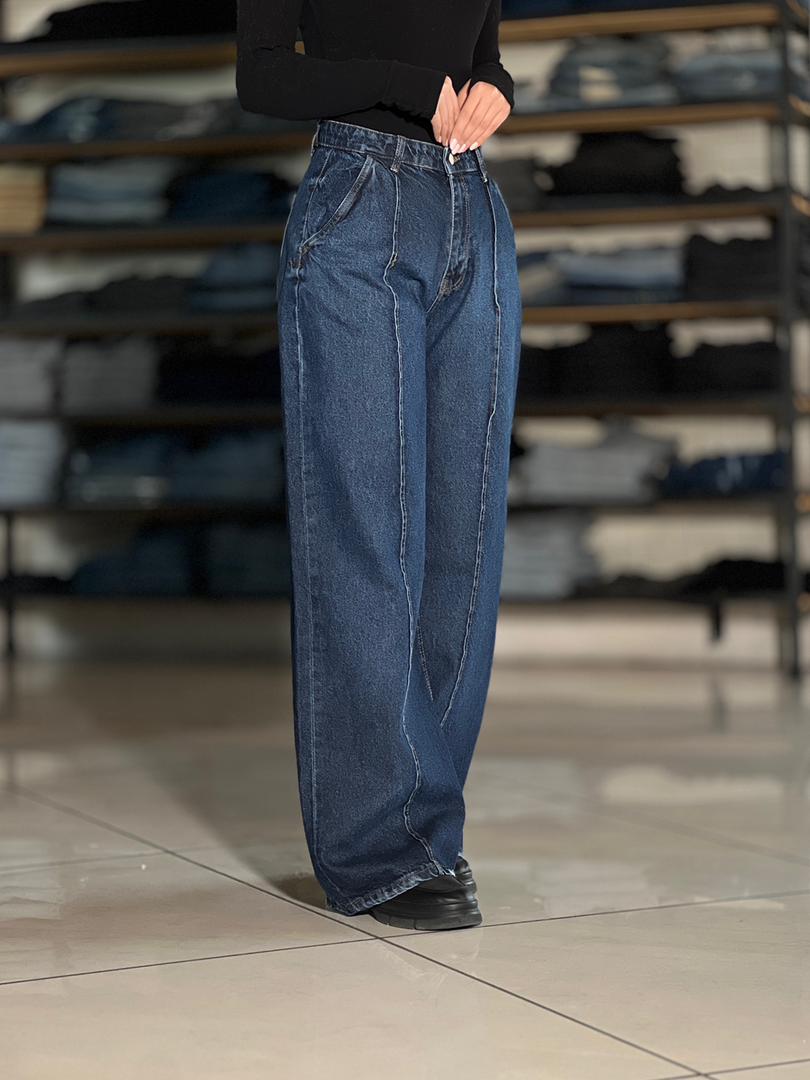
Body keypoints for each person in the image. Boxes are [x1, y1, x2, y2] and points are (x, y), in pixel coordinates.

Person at [236, 0, 521, 931]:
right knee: (366, 527)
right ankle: (381, 847)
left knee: (462, 540)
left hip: (473, 207)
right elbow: (262, 74)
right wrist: (404, 89)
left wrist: (495, 92)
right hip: (359, 207)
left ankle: (425, 823)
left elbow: (483, 54)